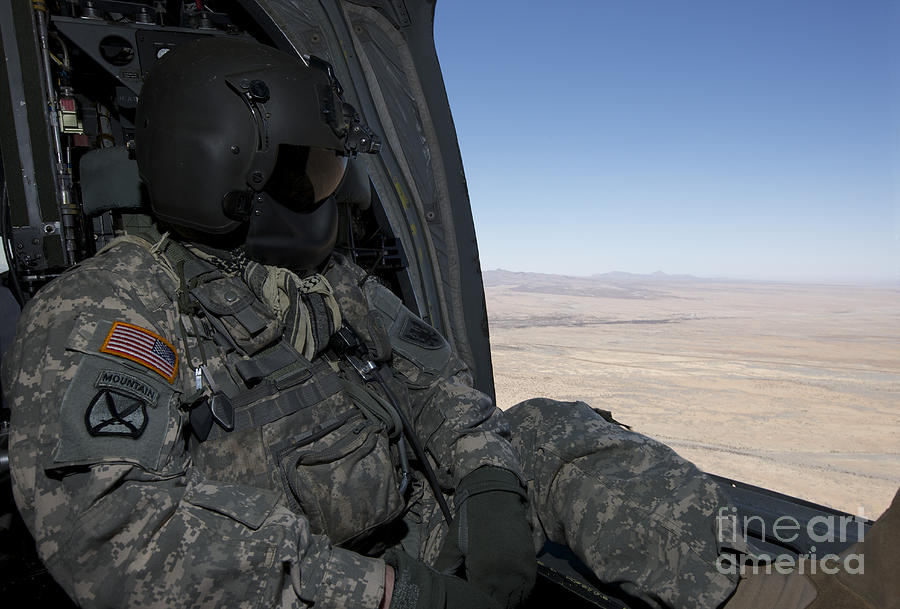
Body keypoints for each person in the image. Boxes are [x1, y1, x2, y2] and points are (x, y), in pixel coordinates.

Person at [7, 37, 891, 609]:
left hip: (404, 536)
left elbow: (434, 383)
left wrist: (488, 484)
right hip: (295, 585)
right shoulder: (108, 311)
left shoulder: (324, 278)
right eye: (307, 172)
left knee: (545, 429)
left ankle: (779, 595)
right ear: (221, 167)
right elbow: (120, 538)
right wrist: (387, 594)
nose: (330, 197)